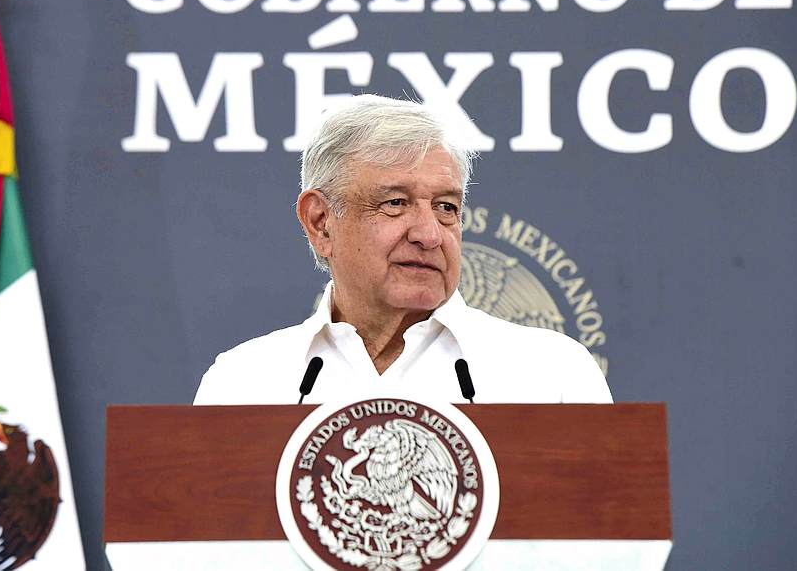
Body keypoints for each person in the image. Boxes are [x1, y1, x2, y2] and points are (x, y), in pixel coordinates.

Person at [194, 95, 611, 405]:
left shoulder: (553, 375)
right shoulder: (242, 384)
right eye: (395, 203)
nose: (430, 235)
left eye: (446, 207)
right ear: (321, 221)